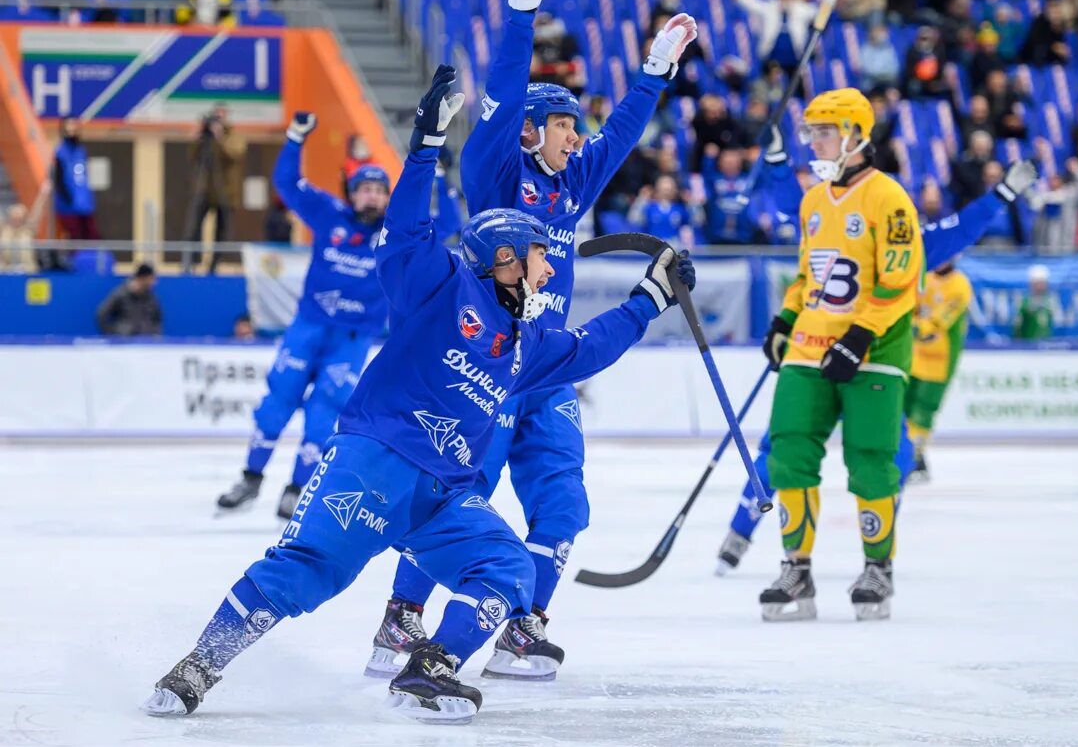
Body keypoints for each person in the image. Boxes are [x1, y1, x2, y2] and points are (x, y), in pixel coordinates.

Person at [143, 66, 697, 724]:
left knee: (508, 570)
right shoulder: (439, 286)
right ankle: (198, 665)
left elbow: (589, 348)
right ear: (506, 260)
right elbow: (406, 229)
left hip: (443, 494)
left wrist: (649, 299)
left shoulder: (527, 343)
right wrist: (424, 151)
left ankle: (427, 671)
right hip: (375, 461)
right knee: (309, 570)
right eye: (541, 256)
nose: (552, 269)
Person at [363, 0, 699, 683]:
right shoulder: (494, 175)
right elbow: (505, 97)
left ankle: (525, 627)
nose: (575, 138)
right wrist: (521, 17)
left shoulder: (572, 185)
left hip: (544, 368)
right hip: (483, 366)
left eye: (575, 128)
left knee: (564, 501)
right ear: (528, 133)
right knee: (461, 499)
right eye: (562, 126)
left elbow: (620, 138)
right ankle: (401, 616)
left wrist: (655, 73)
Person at [715, 160, 1038, 573]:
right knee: (803, 450)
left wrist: (1001, 196)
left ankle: (756, 539)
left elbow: (959, 229)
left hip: (858, 362)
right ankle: (749, 536)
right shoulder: (858, 230)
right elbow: (959, 230)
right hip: (841, 359)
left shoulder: (891, 239)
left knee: (844, 453)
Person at [756, 88, 925, 622]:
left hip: (875, 345)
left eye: (824, 131)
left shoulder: (888, 199)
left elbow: (901, 283)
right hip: (811, 340)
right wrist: (785, 318)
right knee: (788, 450)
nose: (815, 142)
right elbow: (810, 276)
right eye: (811, 132)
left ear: (856, 136)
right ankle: (797, 569)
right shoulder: (812, 200)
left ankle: (879, 569)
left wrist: (859, 336)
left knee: (871, 457)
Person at [215, 114, 390, 520]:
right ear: (351, 193)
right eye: (363, 190)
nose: (370, 197)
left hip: (352, 340)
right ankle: (251, 478)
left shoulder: (398, 235)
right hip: (307, 329)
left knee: (325, 412)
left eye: (379, 191)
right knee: (277, 401)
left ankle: (296, 488)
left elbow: (449, 227)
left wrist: (438, 178)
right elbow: (286, 184)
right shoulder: (329, 214)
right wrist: (295, 139)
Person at [904, 261, 973, 483]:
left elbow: (940, 320)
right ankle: (906, 455)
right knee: (904, 407)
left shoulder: (960, 285)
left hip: (940, 361)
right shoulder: (927, 278)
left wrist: (913, 327)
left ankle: (915, 457)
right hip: (914, 355)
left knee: (923, 410)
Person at [181, 104, 245, 273]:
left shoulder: (234, 136)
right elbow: (192, 157)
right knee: (193, 228)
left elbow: (235, 154)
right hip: (204, 189)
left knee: (222, 232)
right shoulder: (206, 137)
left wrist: (220, 137)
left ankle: (213, 266)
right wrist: (198, 137)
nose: (217, 120)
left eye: (220, 117)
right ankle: (191, 264)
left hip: (226, 192)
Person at [51, 118, 99, 242]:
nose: (71, 129)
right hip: (68, 205)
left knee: (92, 235)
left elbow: (84, 176)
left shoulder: (81, 150)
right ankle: (76, 260)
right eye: (68, 126)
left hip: (84, 203)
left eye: (74, 126)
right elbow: (58, 179)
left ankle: (92, 260)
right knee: (75, 236)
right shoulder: (60, 152)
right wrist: (67, 198)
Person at [628, 174, 695, 247]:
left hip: (674, 246)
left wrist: (691, 202)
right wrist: (641, 200)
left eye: (669, 190)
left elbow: (696, 222)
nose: (666, 193)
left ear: (675, 191)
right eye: (663, 189)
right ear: (656, 190)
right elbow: (633, 220)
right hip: (652, 246)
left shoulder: (679, 209)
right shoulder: (649, 208)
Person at [96, 264, 162, 337]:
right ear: (142, 278)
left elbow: (157, 318)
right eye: (152, 279)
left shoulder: (151, 297)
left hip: (145, 341)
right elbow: (101, 313)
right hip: (124, 341)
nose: (154, 283)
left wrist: (156, 333)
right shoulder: (120, 293)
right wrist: (110, 334)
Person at [0, 183, 51, 273]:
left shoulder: (28, 230)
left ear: (23, 218)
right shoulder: (3, 230)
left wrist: (43, 195)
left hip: (28, 269)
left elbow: (37, 213)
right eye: (14, 217)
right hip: (6, 270)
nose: (16, 220)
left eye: (19, 218)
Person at [1013, 264, 1053, 340]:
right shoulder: (1025, 302)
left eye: (1044, 283)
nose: (1042, 286)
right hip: (1028, 346)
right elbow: (1018, 326)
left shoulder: (1049, 301)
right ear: (1032, 284)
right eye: (1039, 283)